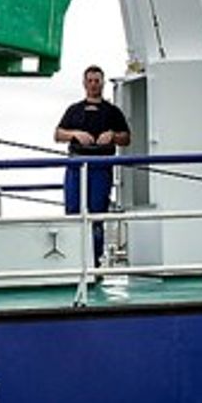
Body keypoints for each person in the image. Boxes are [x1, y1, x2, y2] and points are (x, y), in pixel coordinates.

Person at [54, 64, 130, 260]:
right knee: (73, 215)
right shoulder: (74, 110)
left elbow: (126, 138)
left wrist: (112, 135)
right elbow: (58, 134)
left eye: (97, 81)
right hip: (76, 166)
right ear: (84, 83)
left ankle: (94, 262)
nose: (94, 85)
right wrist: (75, 134)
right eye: (90, 81)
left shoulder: (112, 112)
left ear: (102, 83)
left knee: (97, 216)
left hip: (100, 168)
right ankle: (73, 261)